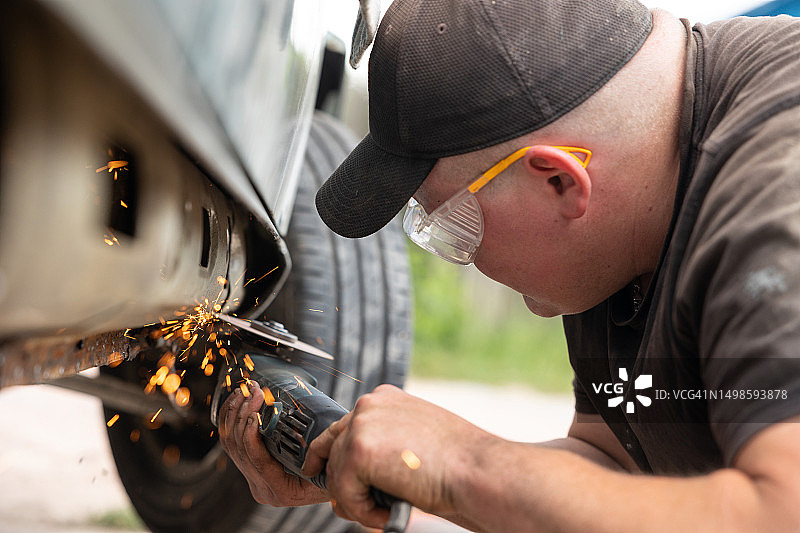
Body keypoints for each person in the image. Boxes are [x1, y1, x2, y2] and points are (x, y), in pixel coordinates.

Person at [219, 0, 800, 530]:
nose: (461, 257)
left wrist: (466, 465)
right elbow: (616, 461)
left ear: (558, 179)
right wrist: (377, 467)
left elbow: (780, 513)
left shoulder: (776, 199)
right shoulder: (618, 222)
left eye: (450, 225)